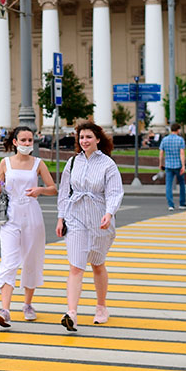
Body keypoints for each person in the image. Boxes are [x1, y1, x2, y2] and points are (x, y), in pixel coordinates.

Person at [55, 122, 123, 332]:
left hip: (99, 219)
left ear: (98, 139)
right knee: (76, 266)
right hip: (76, 218)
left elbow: (114, 192)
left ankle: (101, 307)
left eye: (88, 137)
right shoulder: (73, 162)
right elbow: (64, 191)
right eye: (82, 137)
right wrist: (61, 218)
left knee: (97, 264)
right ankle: (72, 313)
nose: (84, 141)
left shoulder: (107, 164)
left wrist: (109, 213)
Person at [0, 126, 57, 327]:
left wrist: (40, 190)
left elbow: (53, 189)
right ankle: (5, 310)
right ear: (15, 142)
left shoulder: (38, 163)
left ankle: (27, 304)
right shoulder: (5, 163)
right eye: (24, 140)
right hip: (10, 216)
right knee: (9, 261)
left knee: (31, 259)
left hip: (32, 215)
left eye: (30, 140)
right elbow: (1, 190)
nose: (28, 144)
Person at [158, 123, 186, 211]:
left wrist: (161, 163)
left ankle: (170, 204)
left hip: (168, 165)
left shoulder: (165, 139)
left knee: (168, 185)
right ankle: (182, 203)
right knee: (182, 184)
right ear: (178, 130)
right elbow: (182, 153)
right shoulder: (180, 140)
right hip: (178, 165)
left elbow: (161, 153)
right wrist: (183, 165)